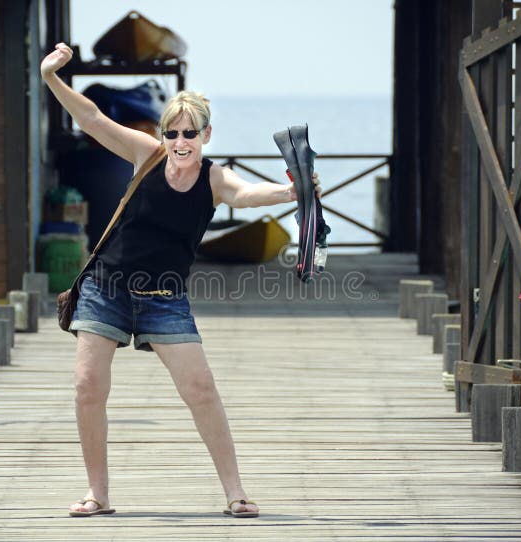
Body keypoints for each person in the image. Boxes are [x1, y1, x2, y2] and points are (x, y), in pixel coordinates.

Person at [41, 42, 320, 519]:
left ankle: (235, 492)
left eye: (190, 132)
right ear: (162, 133)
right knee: (88, 386)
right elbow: (91, 120)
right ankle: (98, 494)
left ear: (206, 133)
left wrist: (292, 190)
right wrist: (51, 78)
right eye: (172, 132)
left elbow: (248, 195)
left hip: (163, 297)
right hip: (105, 288)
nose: (180, 141)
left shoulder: (214, 178)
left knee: (201, 389)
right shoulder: (146, 154)